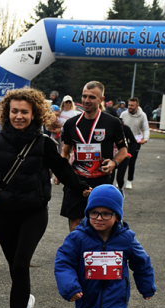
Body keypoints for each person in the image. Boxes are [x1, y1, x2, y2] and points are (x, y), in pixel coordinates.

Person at [0, 87, 92, 308]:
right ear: (7, 113)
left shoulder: (43, 143)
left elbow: (63, 170)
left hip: (34, 213)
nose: (19, 116)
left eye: (24, 112)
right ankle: (26, 299)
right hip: (4, 213)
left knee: (20, 265)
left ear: (35, 114)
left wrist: (82, 188)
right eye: (14, 111)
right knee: (15, 269)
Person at [60, 81, 127, 232]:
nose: (86, 100)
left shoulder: (112, 122)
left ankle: (97, 254)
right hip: (76, 179)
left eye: (92, 97)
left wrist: (114, 163)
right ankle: (77, 253)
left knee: (100, 223)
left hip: (101, 180)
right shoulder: (71, 124)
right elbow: (65, 151)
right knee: (75, 223)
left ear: (101, 100)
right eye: (84, 96)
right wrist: (61, 172)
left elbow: (123, 149)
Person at [119, 97, 149, 190]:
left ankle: (129, 181)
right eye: (129, 105)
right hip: (124, 141)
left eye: (132, 105)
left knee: (131, 162)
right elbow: (118, 126)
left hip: (135, 141)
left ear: (137, 106)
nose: (130, 107)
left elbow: (146, 128)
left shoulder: (142, 115)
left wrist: (146, 138)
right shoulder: (123, 114)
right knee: (121, 161)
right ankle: (120, 180)